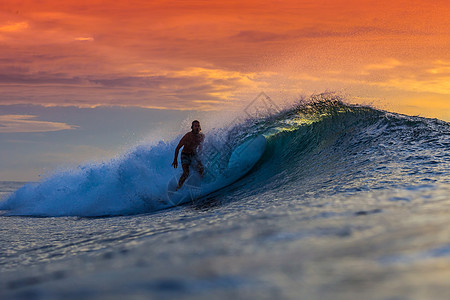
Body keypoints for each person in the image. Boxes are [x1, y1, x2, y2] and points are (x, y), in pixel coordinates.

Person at [171, 120, 205, 189]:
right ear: (192, 127)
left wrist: (199, 158)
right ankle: (178, 187)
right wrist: (175, 160)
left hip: (194, 154)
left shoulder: (201, 136)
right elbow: (177, 148)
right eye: (195, 126)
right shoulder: (187, 136)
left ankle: (202, 186)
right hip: (185, 155)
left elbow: (200, 147)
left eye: (198, 126)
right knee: (186, 173)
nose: (197, 127)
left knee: (201, 169)